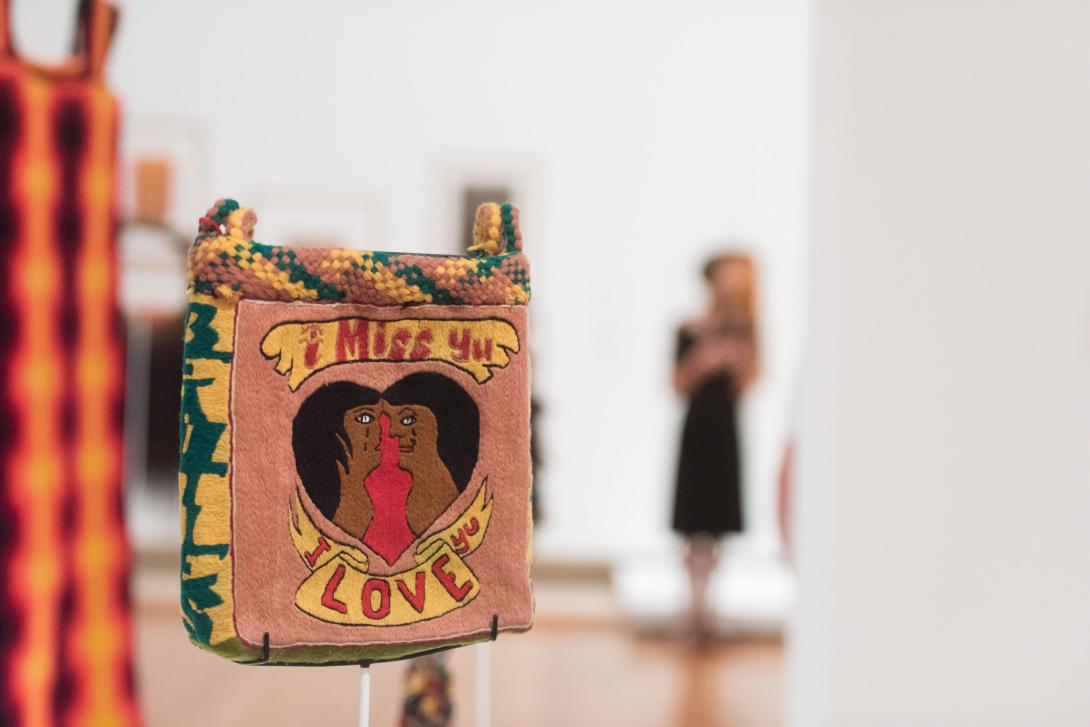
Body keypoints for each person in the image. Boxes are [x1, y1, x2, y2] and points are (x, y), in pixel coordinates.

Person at [671, 252, 760, 645]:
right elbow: (676, 384)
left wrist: (734, 359)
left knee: (718, 524)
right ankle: (692, 607)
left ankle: (709, 608)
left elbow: (751, 380)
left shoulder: (744, 331)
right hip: (696, 429)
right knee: (692, 524)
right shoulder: (687, 329)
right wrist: (705, 362)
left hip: (726, 431)